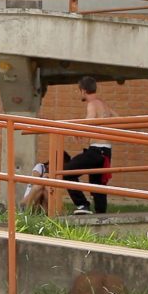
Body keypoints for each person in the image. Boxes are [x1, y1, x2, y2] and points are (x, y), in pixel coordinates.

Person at [64, 76, 117, 215]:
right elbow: (118, 119)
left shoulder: (92, 104)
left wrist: (77, 130)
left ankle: (82, 204)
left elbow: (90, 119)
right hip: (106, 151)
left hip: (96, 150)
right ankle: (101, 214)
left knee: (67, 171)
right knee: (97, 184)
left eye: (79, 90)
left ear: (83, 90)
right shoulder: (104, 104)